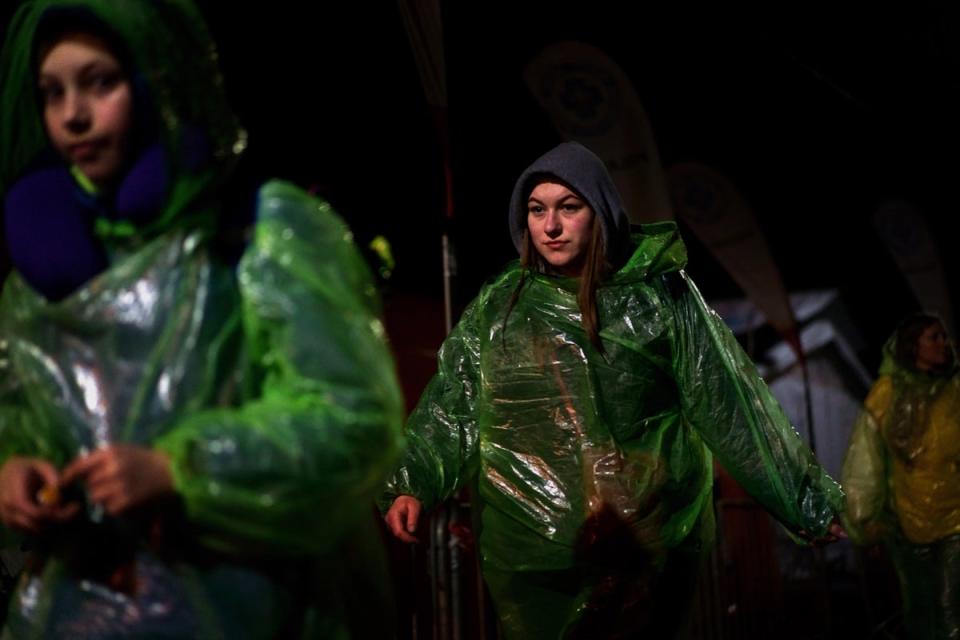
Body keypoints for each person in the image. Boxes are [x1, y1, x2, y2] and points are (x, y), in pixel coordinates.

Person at [0, 0, 404, 637]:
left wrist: (183, 470)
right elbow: (21, 417)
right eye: (52, 93)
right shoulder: (44, 277)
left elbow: (354, 420)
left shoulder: (263, 230)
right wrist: (14, 471)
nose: (72, 116)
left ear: (158, 81)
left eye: (100, 82)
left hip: (262, 611)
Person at [381, 141, 844, 639]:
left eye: (568, 207)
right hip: (539, 556)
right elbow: (457, 401)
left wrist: (802, 499)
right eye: (537, 210)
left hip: (641, 545)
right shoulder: (502, 309)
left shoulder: (657, 298)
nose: (551, 226)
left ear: (598, 211)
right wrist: (415, 481)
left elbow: (728, 402)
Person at [842, 313, 960, 639]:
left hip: (955, 516)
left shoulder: (953, 387)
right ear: (913, 346)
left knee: (953, 606)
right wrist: (863, 517)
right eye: (933, 337)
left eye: (943, 336)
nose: (943, 344)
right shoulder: (887, 393)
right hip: (908, 520)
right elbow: (865, 461)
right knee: (920, 607)